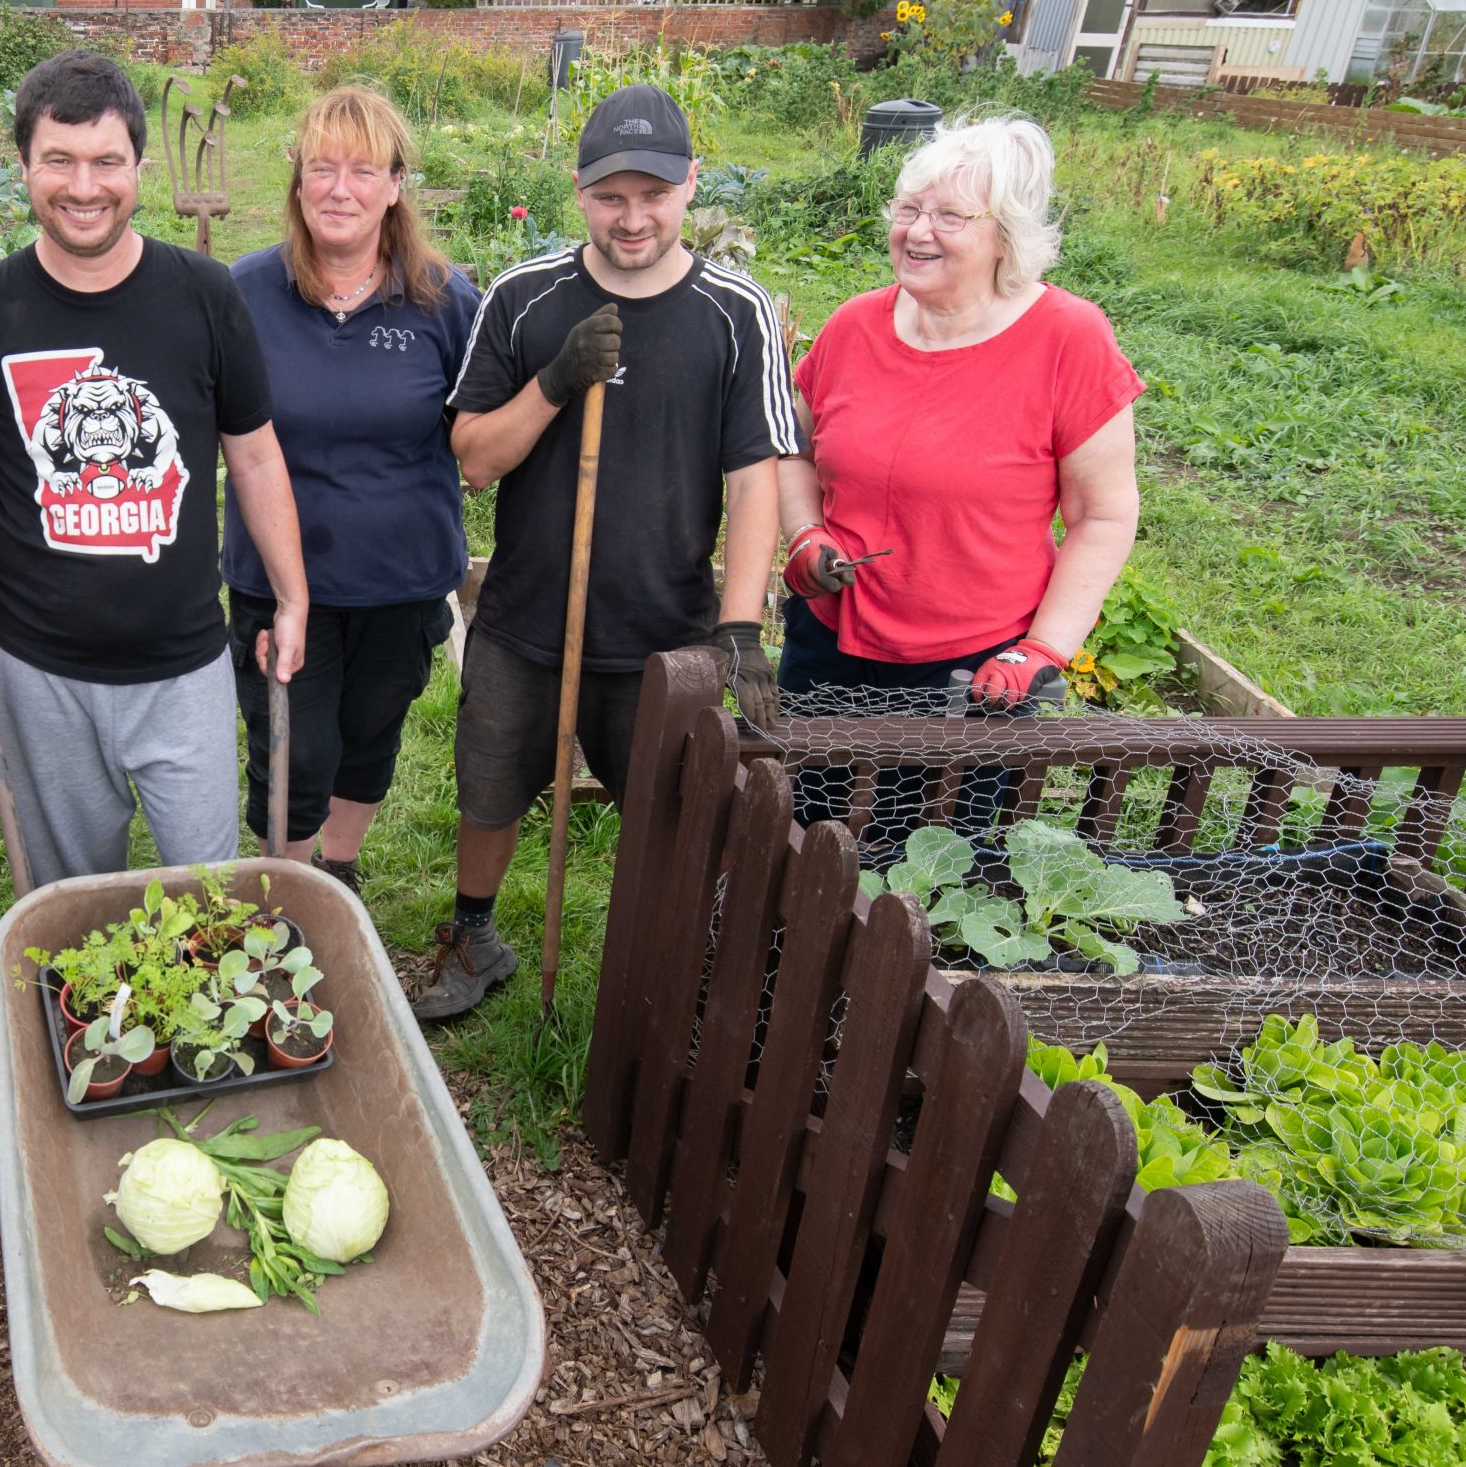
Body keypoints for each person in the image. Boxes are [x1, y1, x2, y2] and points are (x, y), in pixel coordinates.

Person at [421, 83, 796, 1023]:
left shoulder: (734, 313)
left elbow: (757, 478)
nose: (633, 218)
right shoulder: (526, 298)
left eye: (654, 195)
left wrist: (740, 626)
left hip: (663, 633)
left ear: (691, 186)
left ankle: (667, 960)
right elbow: (473, 459)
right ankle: (476, 934)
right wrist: (553, 380)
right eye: (610, 196)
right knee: (491, 784)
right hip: (526, 615)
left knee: (667, 813)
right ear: (579, 190)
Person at [0, 51, 310, 886]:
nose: (83, 186)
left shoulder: (205, 295)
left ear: (138, 166)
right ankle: (77, 1020)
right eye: (58, 161)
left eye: (105, 162)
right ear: (24, 164)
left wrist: (293, 595)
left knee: (209, 896)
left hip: (184, 666)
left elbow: (255, 454)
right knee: (71, 896)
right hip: (38, 668)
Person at [775, 115, 1141, 823]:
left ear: (1006, 236)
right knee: (807, 831)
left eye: (948, 216)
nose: (917, 231)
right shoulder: (855, 325)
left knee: (933, 864)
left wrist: (1042, 650)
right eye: (908, 210)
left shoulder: (1069, 340)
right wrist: (803, 535)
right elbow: (793, 443)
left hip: (972, 673)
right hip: (829, 641)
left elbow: (1105, 514)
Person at [226, 86, 480, 896]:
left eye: (364, 170)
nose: (341, 188)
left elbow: (480, 431)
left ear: (397, 185)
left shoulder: (444, 299)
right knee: (290, 746)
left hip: (400, 577)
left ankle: (338, 873)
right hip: (277, 576)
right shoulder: (246, 294)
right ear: (298, 182)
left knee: (371, 731)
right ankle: (283, 898)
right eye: (322, 168)